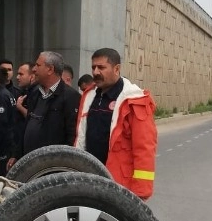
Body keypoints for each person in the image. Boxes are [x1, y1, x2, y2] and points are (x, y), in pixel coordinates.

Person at [75, 47, 157, 199]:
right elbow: (80, 137)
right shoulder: (89, 96)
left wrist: (140, 192)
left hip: (119, 185)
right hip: (88, 178)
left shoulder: (135, 100)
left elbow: (144, 148)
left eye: (101, 67)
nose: (95, 72)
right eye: (93, 67)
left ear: (116, 69)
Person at [8, 50, 80, 169]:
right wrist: (16, 154)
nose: (34, 69)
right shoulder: (35, 93)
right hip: (29, 163)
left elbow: (72, 137)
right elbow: (27, 126)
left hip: (51, 168)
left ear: (50, 69)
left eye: (38, 65)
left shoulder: (70, 97)